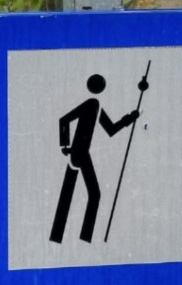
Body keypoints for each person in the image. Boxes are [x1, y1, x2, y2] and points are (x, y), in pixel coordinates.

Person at [49, 71, 148, 245]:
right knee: (91, 194)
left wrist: (132, 117)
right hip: (78, 152)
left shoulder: (97, 106)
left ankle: (65, 237)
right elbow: (64, 119)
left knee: (74, 193)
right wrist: (64, 146)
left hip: (79, 153)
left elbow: (110, 129)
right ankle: (80, 238)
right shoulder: (91, 103)